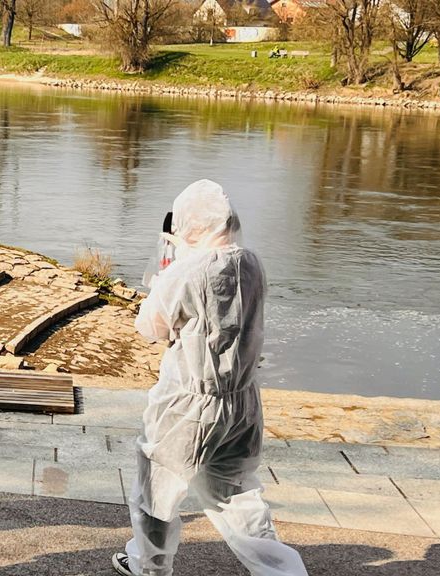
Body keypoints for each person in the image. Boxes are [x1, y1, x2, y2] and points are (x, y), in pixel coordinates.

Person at [111, 180, 308, 576]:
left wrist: (163, 273)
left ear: (186, 225)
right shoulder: (252, 263)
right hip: (242, 401)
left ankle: (149, 566)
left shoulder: (185, 272)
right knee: (235, 494)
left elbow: (151, 327)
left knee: (157, 490)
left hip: (188, 403)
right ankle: (283, 572)